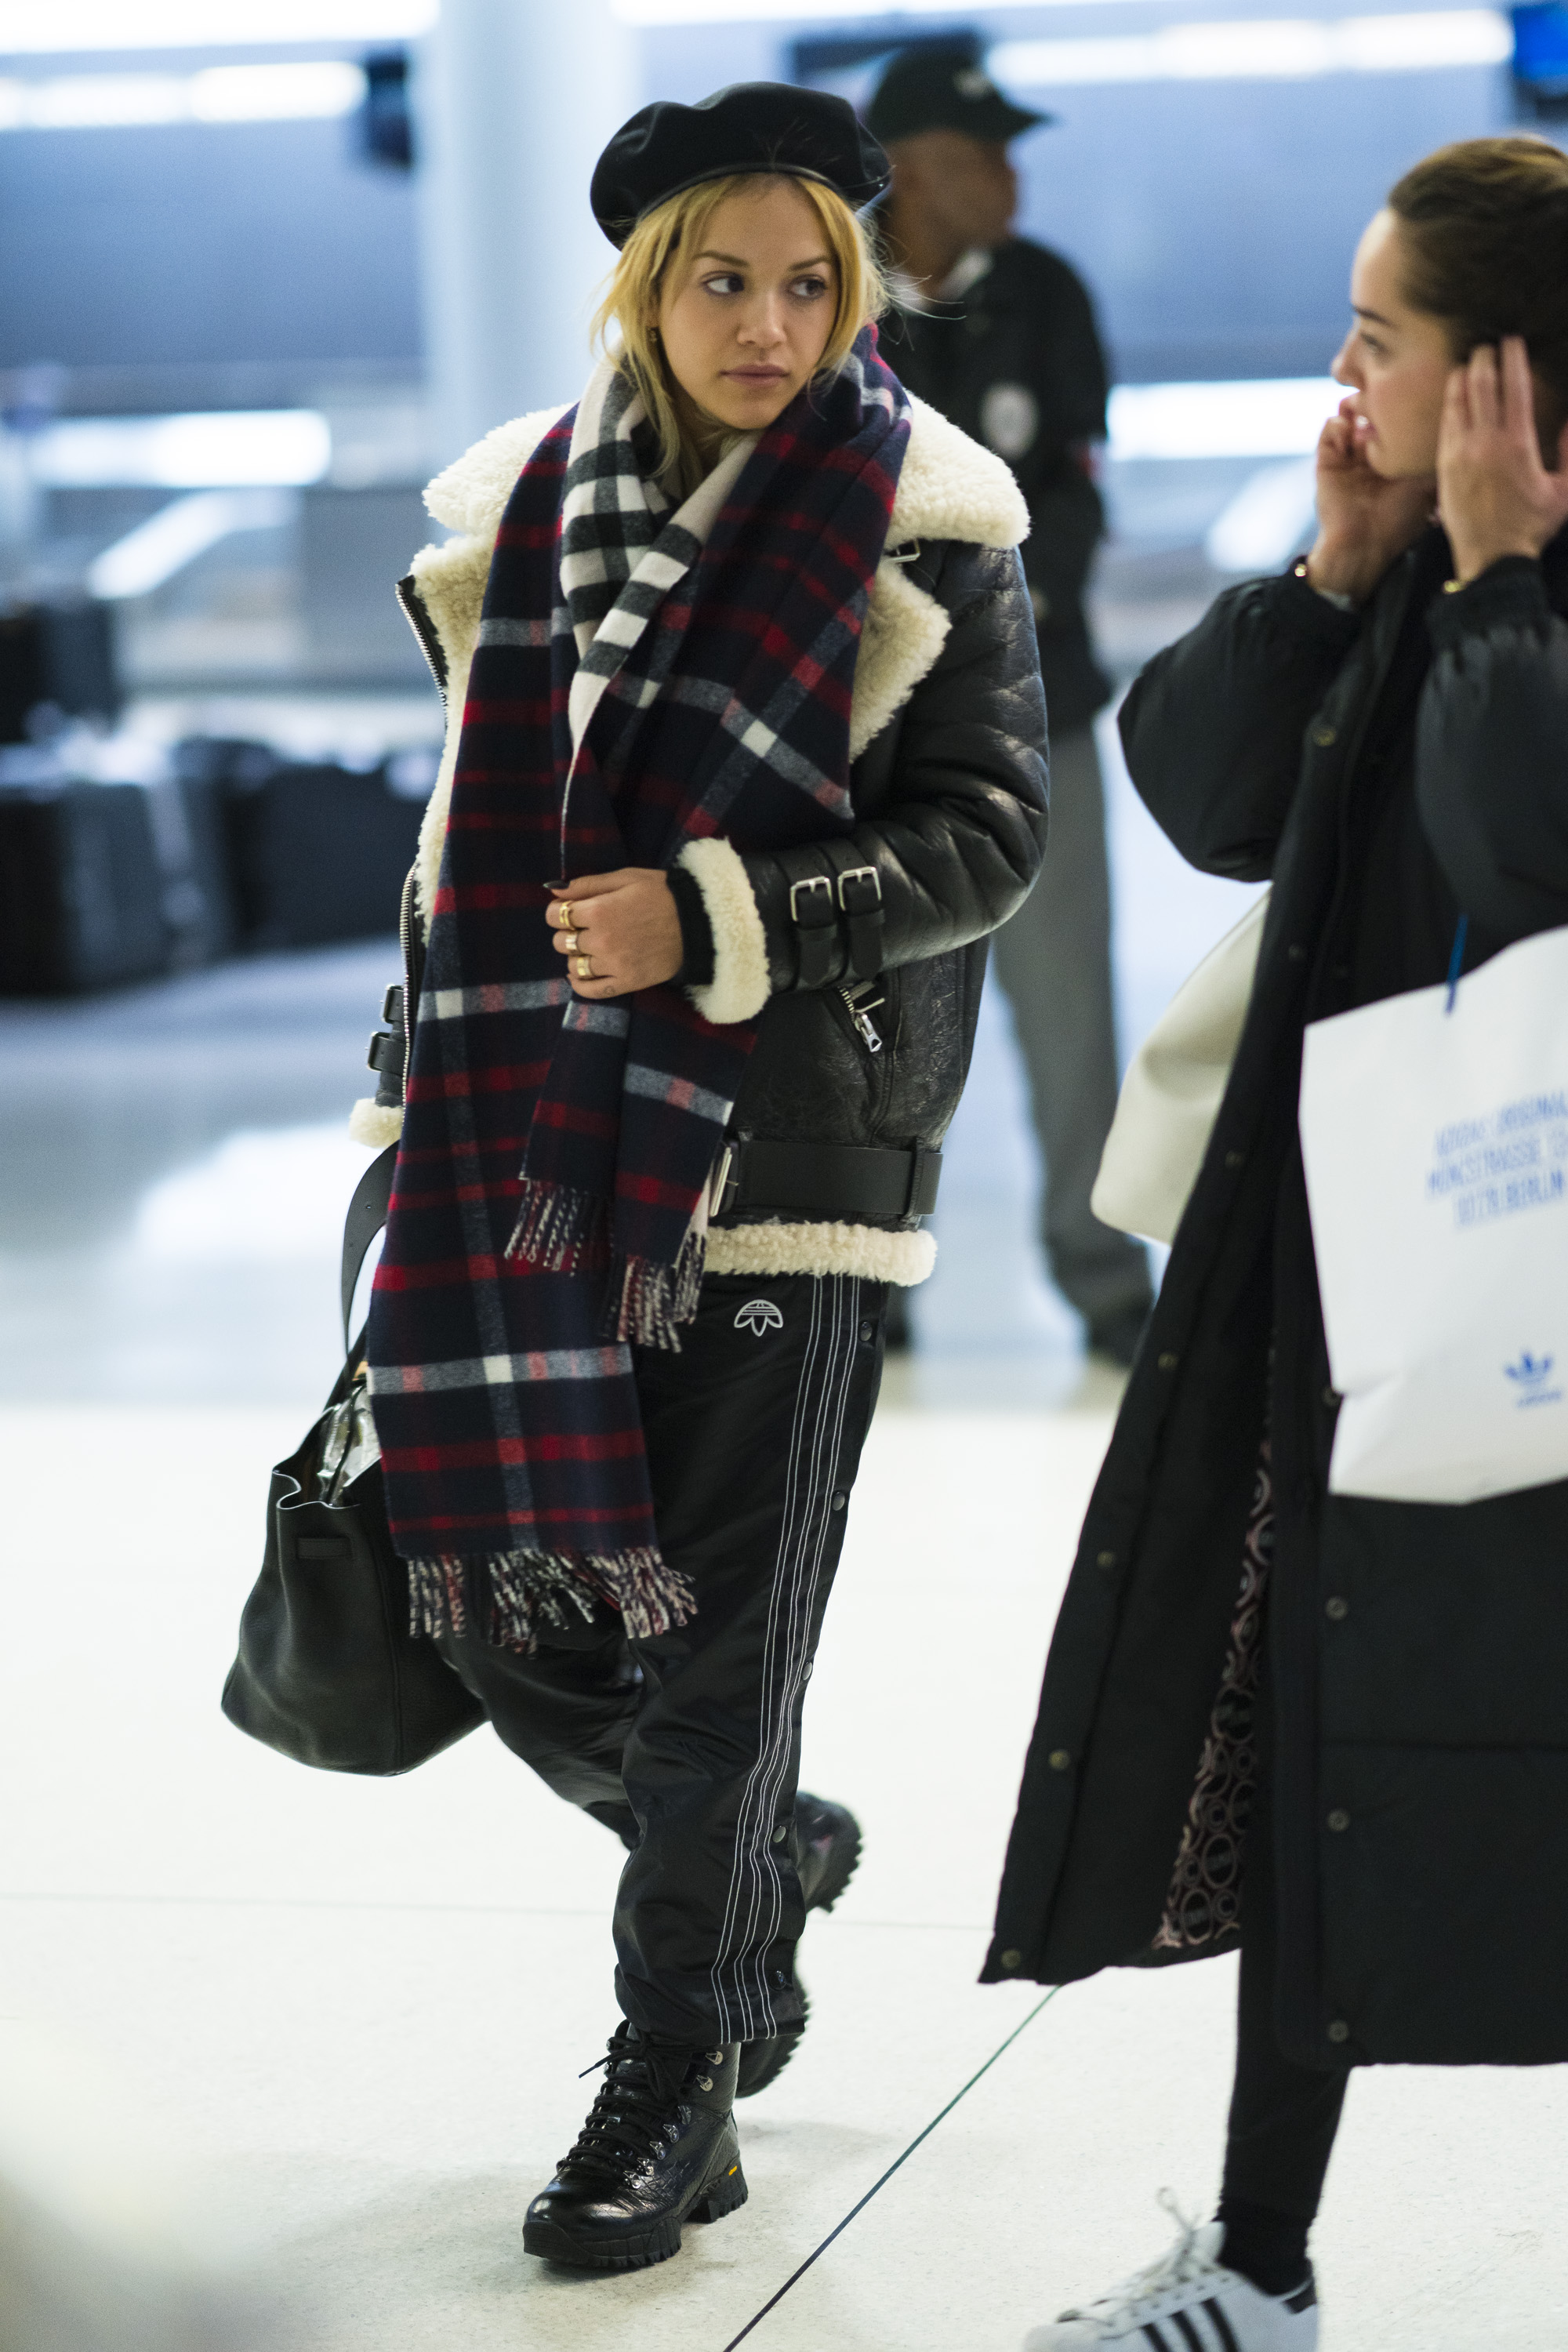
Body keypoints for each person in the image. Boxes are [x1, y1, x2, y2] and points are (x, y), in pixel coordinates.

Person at [355, 82, 1047, 2273]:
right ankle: (752, 1865)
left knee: (718, 1657)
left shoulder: (927, 521)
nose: (769, 325)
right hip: (506, 1152)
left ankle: (677, 2073)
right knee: (501, 1608)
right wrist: (403, 1097)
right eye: (724, 282)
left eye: (810, 282)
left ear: (859, 290)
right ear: (645, 295)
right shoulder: (515, 518)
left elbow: (989, 835)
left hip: (788, 1153)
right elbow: (464, 850)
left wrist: (719, 915)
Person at [982, 136, 1568, 2348]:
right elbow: (1206, 801)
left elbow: (1526, 854)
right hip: (1385, 1292)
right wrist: (1338, 570)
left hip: (1513, 1295)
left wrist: (1499, 583)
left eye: (1380, 335)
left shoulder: (1513, 596)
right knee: (1328, 1748)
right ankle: (1256, 2262)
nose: (1344, 369)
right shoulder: (1402, 572)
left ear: (1504, 380)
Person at [868, 43, 1153, 1366]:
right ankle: (866, 1275)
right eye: (981, 153)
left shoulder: (1045, 294)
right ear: (908, 170)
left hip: (1038, 709)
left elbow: (1078, 493)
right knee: (873, 1010)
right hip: (872, 728)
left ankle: (1103, 1278)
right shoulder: (834, 300)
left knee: (1068, 1003)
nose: (1009, 177)